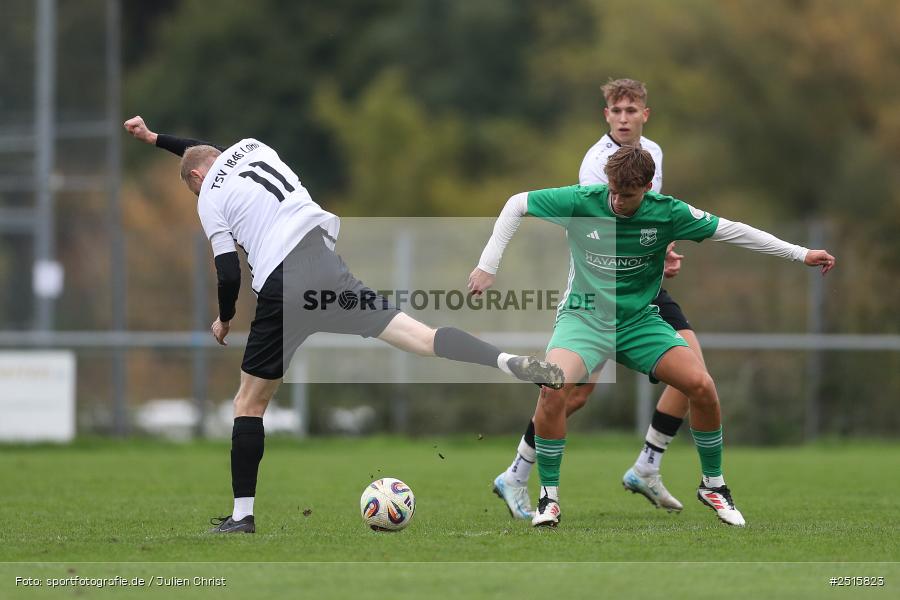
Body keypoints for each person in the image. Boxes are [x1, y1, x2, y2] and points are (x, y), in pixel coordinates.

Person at [123, 116, 565, 534]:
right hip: (324, 265)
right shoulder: (252, 147)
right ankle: (510, 363)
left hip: (282, 285)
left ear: (198, 182)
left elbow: (228, 271)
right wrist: (156, 138)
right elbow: (203, 155)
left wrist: (225, 317)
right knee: (421, 338)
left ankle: (242, 516)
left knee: (249, 403)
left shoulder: (210, 197)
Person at [469, 145, 835, 527]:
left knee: (701, 385)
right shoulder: (582, 200)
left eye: (626, 195)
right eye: (612, 191)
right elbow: (516, 203)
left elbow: (734, 231)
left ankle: (713, 485)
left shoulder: (668, 212)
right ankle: (549, 499)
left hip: (638, 323)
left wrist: (800, 254)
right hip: (584, 320)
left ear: (647, 188)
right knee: (553, 387)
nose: (616, 201)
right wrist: (487, 265)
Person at [492, 79, 698, 519]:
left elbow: (649, 214)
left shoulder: (654, 153)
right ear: (606, 115)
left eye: (632, 110)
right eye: (617, 111)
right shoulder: (595, 166)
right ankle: (516, 474)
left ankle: (647, 465)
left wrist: (664, 252)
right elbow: (605, 235)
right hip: (603, 289)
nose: (624, 118)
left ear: (646, 113)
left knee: (694, 374)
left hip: (642, 285)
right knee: (572, 394)